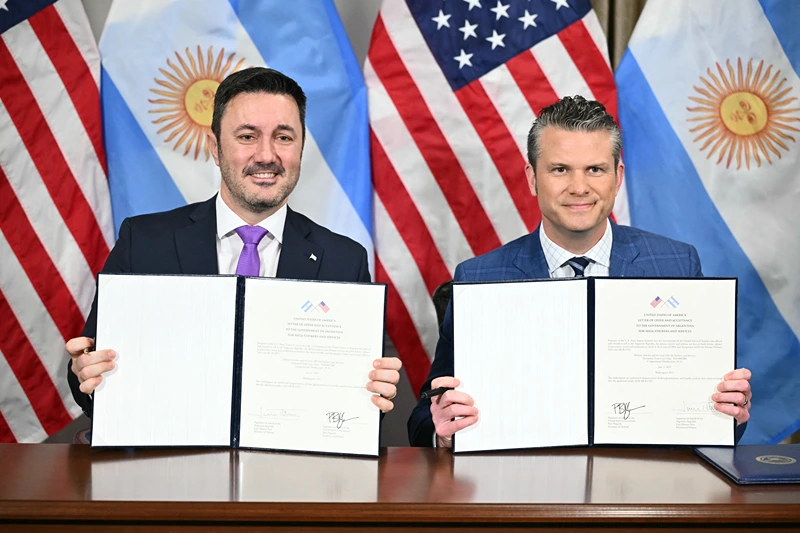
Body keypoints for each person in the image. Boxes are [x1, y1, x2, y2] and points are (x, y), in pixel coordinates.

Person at [407, 95, 752, 448]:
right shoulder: (479, 278)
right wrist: (441, 429)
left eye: (595, 169)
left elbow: (712, 407)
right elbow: (423, 415)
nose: (579, 187)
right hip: (521, 485)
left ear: (617, 178)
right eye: (560, 170)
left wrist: (728, 412)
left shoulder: (676, 265)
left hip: (644, 483)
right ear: (532, 178)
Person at [67, 67, 401, 417]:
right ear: (215, 147)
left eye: (284, 137)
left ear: (301, 146)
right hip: (169, 464)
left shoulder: (344, 259)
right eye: (247, 136)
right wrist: (85, 374)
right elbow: (89, 369)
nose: (266, 155)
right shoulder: (144, 243)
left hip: (295, 468)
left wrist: (373, 389)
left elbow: (358, 394)